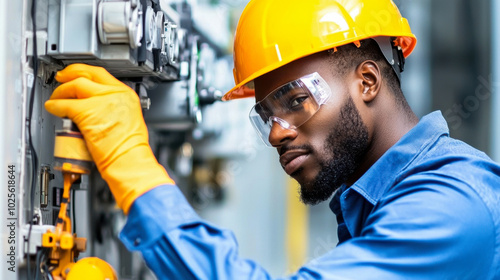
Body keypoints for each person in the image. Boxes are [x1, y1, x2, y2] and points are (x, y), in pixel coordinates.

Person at [45, 0, 500, 279]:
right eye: (266, 115)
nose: (277, 133)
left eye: (296, 100)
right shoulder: (374, 205)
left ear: (366, 82)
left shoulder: (452, 208)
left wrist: (134, 168)